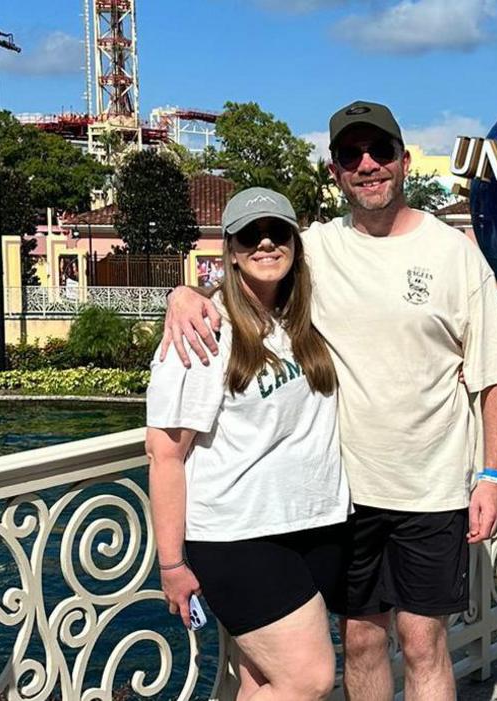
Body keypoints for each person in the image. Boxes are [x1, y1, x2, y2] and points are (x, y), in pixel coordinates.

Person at [162, 101, 497, 700]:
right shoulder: (315, 249)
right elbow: (254, 260)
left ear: (404, 162)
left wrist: (492, 475)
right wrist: (183, 293)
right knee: (358, 642)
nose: (368, 166)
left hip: (432, 488)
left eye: (380, 152)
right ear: (335, 172)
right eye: (352, 156)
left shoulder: (454, 254)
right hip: (344, 497)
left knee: (425, 644)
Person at [146, 187, 348, 700]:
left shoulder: (304, 315)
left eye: (277, 232)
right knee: (310, 678)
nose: (265, 244)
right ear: (230, 250)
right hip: (239, 534)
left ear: (295, 244)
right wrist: (171, 564)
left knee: (263, 680)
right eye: (249, 236)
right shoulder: (204, 331)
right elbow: (164, 453)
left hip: (312, 523)